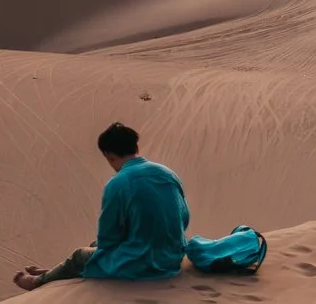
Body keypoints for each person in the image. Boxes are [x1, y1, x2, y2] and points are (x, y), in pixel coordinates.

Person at [14, 121, 190, 290]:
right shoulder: (168, 173)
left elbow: (108, 237)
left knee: (80, 256)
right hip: (173, 257)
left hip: (143, 264)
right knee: (93, 246)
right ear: (135, 147)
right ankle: (56, 272)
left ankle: (38, 282)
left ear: (109, 156)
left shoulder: (118, 183)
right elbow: (184, 218)